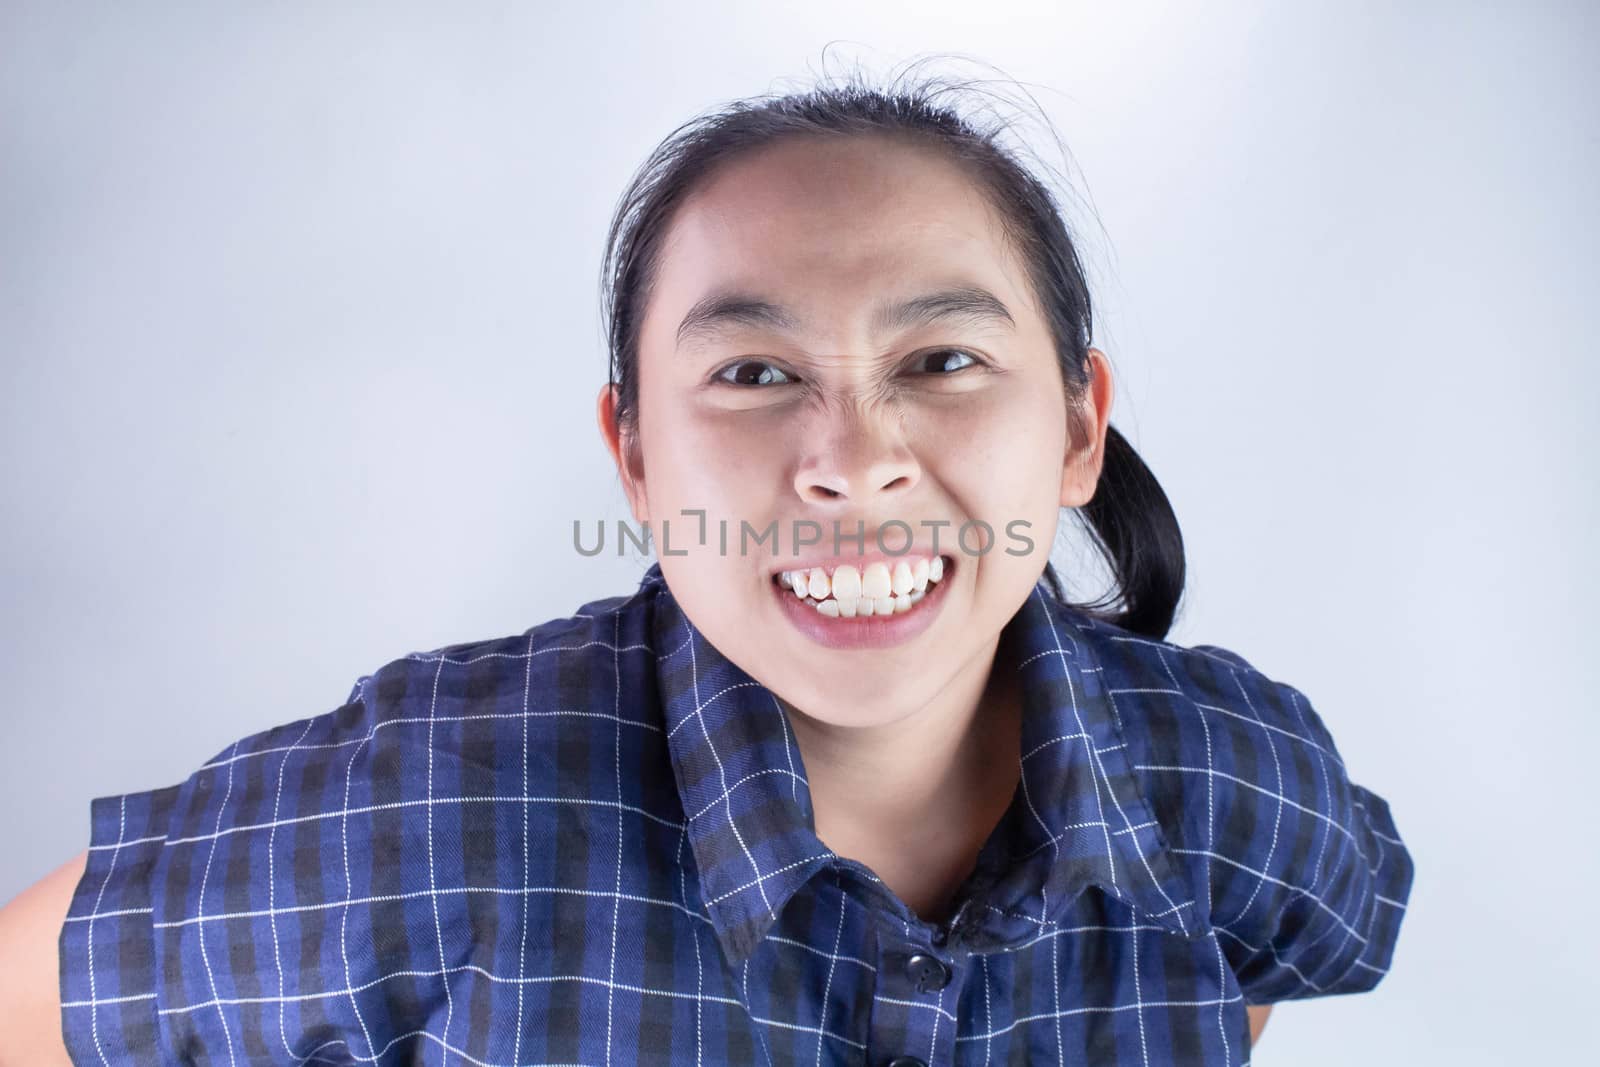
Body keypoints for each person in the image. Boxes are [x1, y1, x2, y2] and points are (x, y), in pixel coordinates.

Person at [1, 66, 1413, 1065]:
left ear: (1078, 427)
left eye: (944, 359)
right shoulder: (425, 815)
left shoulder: (1240, 781)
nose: (851, 460)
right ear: (633, 455)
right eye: (751, 371)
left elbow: (1268, 973)